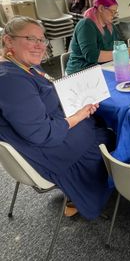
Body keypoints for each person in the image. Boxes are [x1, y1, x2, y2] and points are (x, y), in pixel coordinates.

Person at [0, 17, 115, 219]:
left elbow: (43, 93)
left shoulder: (20, 64)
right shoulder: (10, 80)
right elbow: (42, 134)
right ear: (9, 41)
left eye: (42, 40)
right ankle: (91, 190)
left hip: (46, 132)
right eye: (30, 38)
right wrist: (79, 115)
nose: (40, 46)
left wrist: (76, 99)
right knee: (109, 131)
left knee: (100, 119)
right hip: (48, 148)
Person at [66, 0, 130, 75]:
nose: (114, 15)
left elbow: (120, 46)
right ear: (101, 8)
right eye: (112, 12)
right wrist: (124, 53)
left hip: (103, 68)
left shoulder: (110, 26)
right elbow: (92, 56)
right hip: (81, 72)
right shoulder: (86, 25)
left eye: (115, 12)